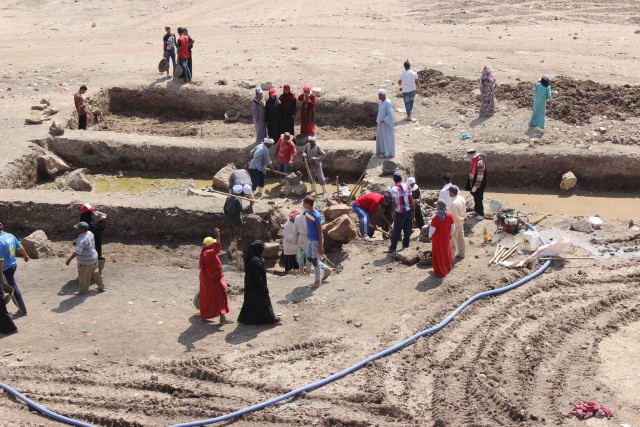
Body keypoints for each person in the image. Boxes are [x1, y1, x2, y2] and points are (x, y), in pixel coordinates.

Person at [237, 240, 281, 325]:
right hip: (257, 285)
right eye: (262, 249)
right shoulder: (256, 262)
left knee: (250, 302)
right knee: (263, 301)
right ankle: (270, 318)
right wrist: (264, 288)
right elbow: (258, 278)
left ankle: (247, 319)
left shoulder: (249, 258)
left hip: (249, 285)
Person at [199, 229, 232, 324]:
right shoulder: (208, 253)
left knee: (207, 297)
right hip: (213, 280)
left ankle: (205, 315)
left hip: (207, 278)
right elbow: (216, 249)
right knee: (220, 298)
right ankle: (222, 318)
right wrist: (218, 237)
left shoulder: (204, 252)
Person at [65, 222, 105, 295]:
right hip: (93, 258)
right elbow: (86, 241)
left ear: (82, 229)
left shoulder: (82, 240)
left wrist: (69, 259)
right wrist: (76, 241)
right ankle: (101, 287)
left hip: (86, 262)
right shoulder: (89, 233)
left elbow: (77, 252)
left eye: (78, 228)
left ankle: (83, 291)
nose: (76, 229)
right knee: (96, 273)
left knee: (84, 277)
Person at [0, 223, 30, 315]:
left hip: (5, 269)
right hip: (13, 265)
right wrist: (25, 255)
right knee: (11, 287)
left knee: (12, 288)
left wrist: (0, 274)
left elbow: (1, 260)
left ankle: (22, 310)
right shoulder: (10, 236)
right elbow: (20, 247)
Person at [303, 196, 332, 287]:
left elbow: (319, 231)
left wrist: (320, 246)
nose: (303, 205)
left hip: (316, 240)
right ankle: (326, 269)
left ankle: (317, 281)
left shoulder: (316, 215)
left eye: (304, 203)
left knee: (315, 260)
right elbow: (309, 226)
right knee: (309, 258)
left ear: (308, 204)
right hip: (310, 239)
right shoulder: (307, 212)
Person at [387, 172, 414, 253]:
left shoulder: (394, 189)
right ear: (401, 179)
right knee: (407, 229)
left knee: (396, 231)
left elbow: (394, 202)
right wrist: (413, 210)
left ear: (394, 180)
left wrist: (392, 210)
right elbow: (411, 199)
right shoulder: (408, 186)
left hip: (400, 212)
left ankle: (393, 248)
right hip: (407, 210)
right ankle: (405, 245)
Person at [223, 185, 255, 256]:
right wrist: (250, 205)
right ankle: (230, 249)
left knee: (231, 233)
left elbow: (224, 209)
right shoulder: (237, 199)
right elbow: (242, 210)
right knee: (237, 235)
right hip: (236, 219)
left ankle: (233, 247)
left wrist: (228, 216)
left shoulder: (228, 197)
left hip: (229, 218)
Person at [428, 200, 455, 278]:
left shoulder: (435, 218)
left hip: (437, 240)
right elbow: (453, 228)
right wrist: (449, 235)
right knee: (446, 252)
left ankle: (440, 270)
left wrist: (430, 237)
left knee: (438, 254)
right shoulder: (449, 215)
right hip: (446, 238)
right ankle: (447, 267)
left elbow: (431, 230)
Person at [79, 203, 106, 273]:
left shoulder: (83, 220)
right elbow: (98, 229)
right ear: (87, 213)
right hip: (94, 243)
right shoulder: (88, 223)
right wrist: (100, 220)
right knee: (94, 255)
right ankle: (94, 273)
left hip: (86, 246)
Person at [465, 149, 487, 219]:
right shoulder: (474, 161)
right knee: (475, 196)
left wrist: (475, 186)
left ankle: (481, 213)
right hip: (474, 181)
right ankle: (476, 210)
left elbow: (480, 176)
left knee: (478, 197)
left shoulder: (479, 162)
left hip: (479, 183)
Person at [376, 89, 395, 158]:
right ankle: (382, 152)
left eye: (380, 95)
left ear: (383, 95)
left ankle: (387, 153)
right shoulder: (381, 102)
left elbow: (390, 115)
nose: (379, 97)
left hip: (386, 125)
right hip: (381, 124)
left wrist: (384, 120)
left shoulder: (388, 103)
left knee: (386, 139)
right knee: (381, 138)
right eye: (378, 95)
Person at [449, 185, 467, 260]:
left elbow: (455, 217)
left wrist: (462, 219)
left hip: (455, 224)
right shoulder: (462, 198)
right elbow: (464, 210)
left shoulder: (453, 203)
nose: (448, 193)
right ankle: (462, 253)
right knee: (461, 238)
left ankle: (451, 258)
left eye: (449, 192)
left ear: (452, 192)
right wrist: (463, 218)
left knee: (453, 241)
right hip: (461, 223)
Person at [291, 210, 311, 275]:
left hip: (301, 238)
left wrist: (294, 240)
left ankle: (301, 272)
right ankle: (308, 272)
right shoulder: (311, 218)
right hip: (309, 238)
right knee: (309, 256)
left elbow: (295, 231)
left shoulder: (297, 218)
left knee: (300, 256)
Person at [282, 210, 300, 274]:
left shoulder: (295, 223)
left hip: (294, 246)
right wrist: (298, 238)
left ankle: (296, 272)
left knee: (295, 260)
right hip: (289, 246)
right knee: (290, 260)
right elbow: (288, 237)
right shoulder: (287, 225)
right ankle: (288, 272)